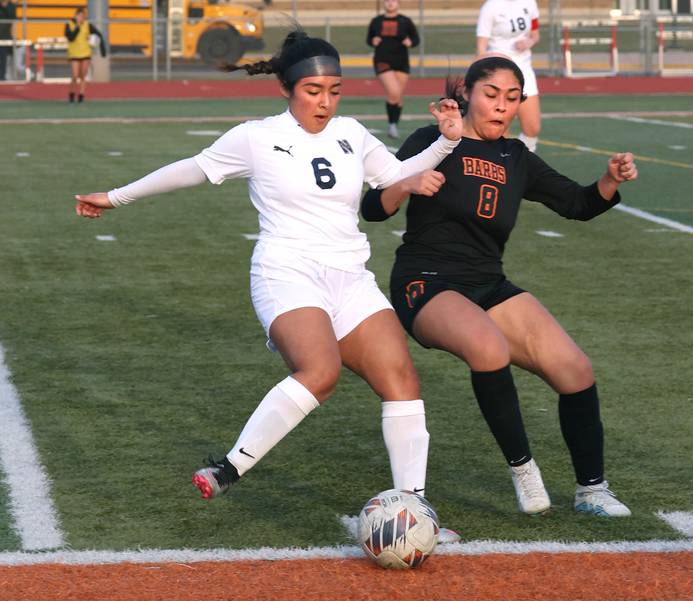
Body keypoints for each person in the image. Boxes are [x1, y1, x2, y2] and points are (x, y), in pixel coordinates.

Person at [74, 30, 464, 540]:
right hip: (286, 272)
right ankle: (230, 468)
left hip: (349, 276)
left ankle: (415, 510)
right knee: (319, 371)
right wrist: (115, 196)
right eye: (312, 91)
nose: (324, 102)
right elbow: (190, 171)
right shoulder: (255, 138)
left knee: (402, 382)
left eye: (334, 90)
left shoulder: (351, 132)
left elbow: (393, 175)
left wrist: (446, 141)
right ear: (286, 87)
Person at [361, 55, 637, 518]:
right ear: (467, 92)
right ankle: (524, 469)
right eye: (492, 96)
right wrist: (408, 182)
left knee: (576, 370)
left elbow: (577, 204)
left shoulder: (516, 157)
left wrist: (609, 180)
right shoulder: (433, 139)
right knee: (489, 349)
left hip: (487, 282)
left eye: (513, 99)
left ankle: (593, 490)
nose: (502, 108)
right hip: (424, 281)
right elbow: (374, 208)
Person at [476, 0, 541, 151]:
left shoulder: (530, 3)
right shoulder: (490, 7)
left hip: (525, 70)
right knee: (500, 130)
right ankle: (502, 167)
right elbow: (481, 48)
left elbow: (535, 35)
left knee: (533, 129)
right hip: (500, 74)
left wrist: (529, 42)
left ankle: (521, 160)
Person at [366, 0, 419, 139]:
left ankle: (394, 123)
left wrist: (410, 42)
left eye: (393, 0)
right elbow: (369, 39)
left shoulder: (405, 21)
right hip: (382, 59)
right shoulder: (376, 21)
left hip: (401, 61)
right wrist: (373, 41)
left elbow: (416, 39)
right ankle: (392, 125)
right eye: (387, 0)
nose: (390, 3)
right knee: (394, 92)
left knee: (399, 96)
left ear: (398, 3)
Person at [64, 7, 106, 103]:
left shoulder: (87, 25)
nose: (81, 18)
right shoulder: (69, 25)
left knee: (83, 75)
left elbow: (99, 35)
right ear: (76, 16)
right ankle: (72, 93)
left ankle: (81, 95)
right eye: (79, 16)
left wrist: (102, 49)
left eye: (83, 16)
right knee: (75, 75)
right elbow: (70, 37)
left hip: (85, 53)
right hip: (74, 53)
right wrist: (77, 27)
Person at [0, 0, 15, 81]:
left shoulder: (11, 5)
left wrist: (5, 7)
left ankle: (2, 77)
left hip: (5, 37)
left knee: (4, 58)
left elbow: (12, 18)